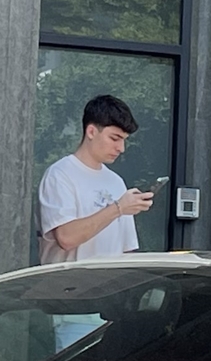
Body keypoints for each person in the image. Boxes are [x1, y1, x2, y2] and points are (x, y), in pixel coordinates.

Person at [38, 93, 154, 264]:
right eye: (114, 138)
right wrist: (118, 208)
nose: (121, 148)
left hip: (109, 287)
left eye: (124, 140)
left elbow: (127, 250)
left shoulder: (116, 182)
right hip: (66, 287)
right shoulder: (60, 175)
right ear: (91, 131)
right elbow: (66, 237)